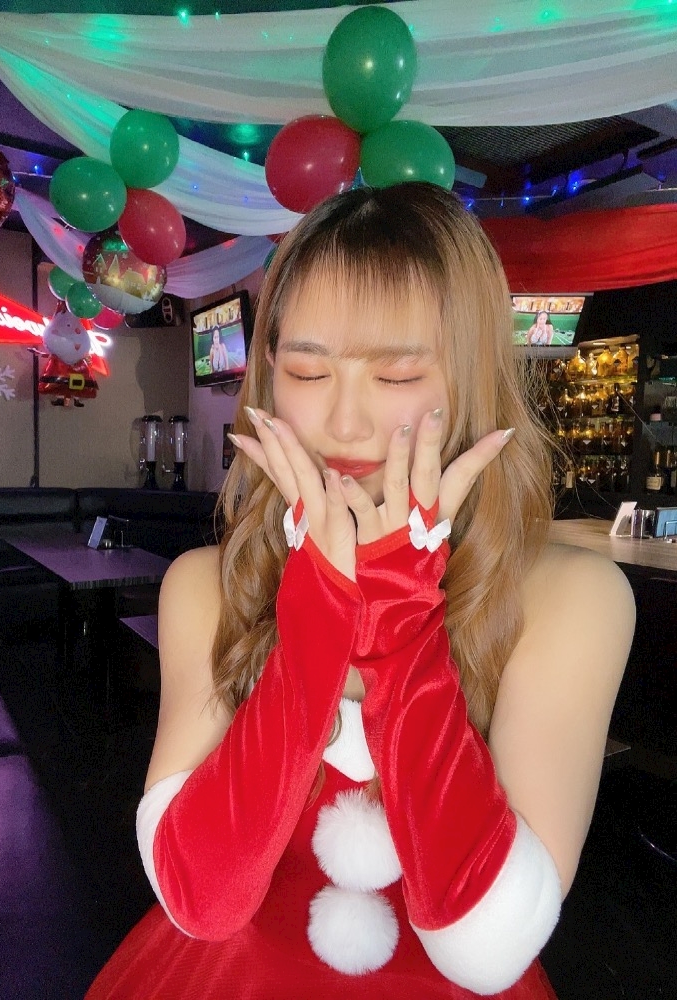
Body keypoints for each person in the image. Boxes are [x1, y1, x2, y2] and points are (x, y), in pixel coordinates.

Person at [86, 183, 635, 999]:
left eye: (397, 373)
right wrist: (319, 616)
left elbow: (486, 949)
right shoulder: (208, 586)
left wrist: (400, 622)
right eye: (308, 370)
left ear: (473, 379)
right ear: (268, 377)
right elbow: (200, 899)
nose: (344, 424)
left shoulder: (571, 598)